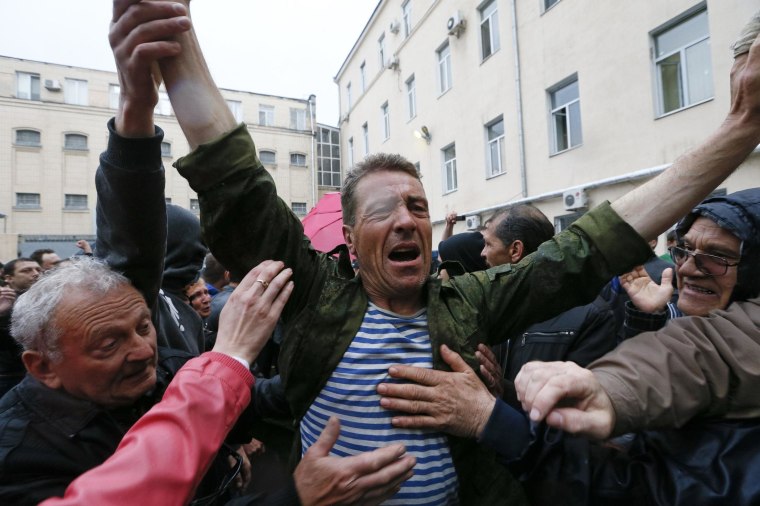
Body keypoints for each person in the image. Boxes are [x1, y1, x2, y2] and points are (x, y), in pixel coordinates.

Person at [147, 1, 760, 502]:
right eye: (384, 210)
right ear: (353, 241)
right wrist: (178, 44)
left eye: (417, 206)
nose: (407, 220)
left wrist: (735, 133)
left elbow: (589, 250)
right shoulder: (313, 296)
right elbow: (239, 185)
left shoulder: (472, 302)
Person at [31, 258, 413, 506]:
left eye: (144, 327)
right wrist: (294, 499)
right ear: (43, 366)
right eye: (109, 343)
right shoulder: (21, 458)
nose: (143, 351)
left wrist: (334, 368)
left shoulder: (171, 366)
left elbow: (253, 402)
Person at [0, 258, 42, 396]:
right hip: (10, 376)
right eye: (26, 270)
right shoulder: (3, 300)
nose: (35, 273)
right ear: (9, 278)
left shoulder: (47, 298)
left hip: (40, 373)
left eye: (38, 269)